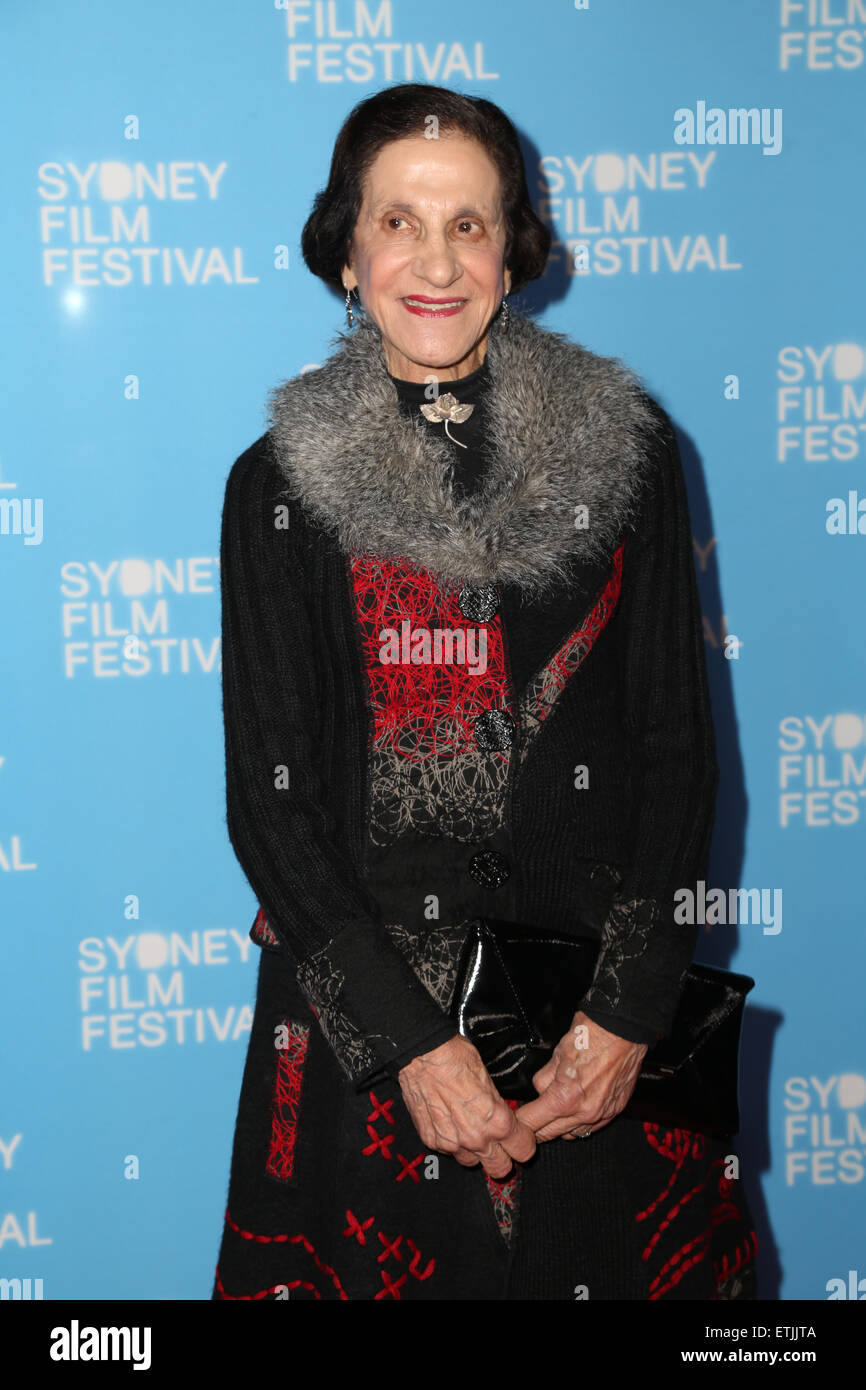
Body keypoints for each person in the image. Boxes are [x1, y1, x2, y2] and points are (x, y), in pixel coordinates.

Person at [211, 82, 758, 1301]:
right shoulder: (277, 486)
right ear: (344, 251)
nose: (435, 261)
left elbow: (675, 751)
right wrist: (412, 1049)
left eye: (469, 223)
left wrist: (624, 1017)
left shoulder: (626, 452)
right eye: (397, 221)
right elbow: (270, 802)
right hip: (369, 1043)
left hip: (589, 1048)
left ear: (513, 251)